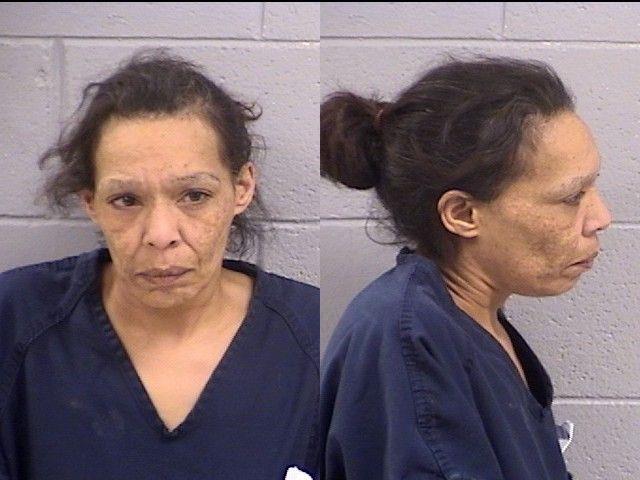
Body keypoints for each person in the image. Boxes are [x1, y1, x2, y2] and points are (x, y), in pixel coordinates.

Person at [0, 50, 318, 479]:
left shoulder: (314, 339)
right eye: (126, 200)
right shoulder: (17, 322)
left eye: (194, 195)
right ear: (91, 202)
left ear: (241, 188)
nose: (160, 234)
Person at [320, 57, 611, 480]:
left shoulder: (468, 322)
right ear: (463, 214)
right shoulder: (409, 344)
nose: (600, 218)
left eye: (592, 186)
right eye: (571, 197)